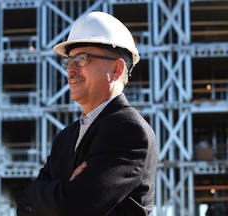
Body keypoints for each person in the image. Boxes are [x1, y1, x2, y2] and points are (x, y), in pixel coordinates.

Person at [16, 11, 157, 216]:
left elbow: (75, 207)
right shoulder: (65, 137)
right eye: (68, 61)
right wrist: (65, 190)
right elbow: (23, 204)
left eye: (82, 59)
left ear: (117, 69)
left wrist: (46, 194)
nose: (70, 70)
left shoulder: (129, 130)